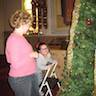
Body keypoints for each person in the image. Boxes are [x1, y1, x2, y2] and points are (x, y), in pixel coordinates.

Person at [5, 10, 40, 96]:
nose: (29, 26)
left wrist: (31, 55)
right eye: (29, 24)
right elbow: (15, 64)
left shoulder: (20, 37)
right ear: (22, 23)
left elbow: (15, 57)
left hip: (28, 75)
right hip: (21, 78)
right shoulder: (14, 39)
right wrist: (30, 55)